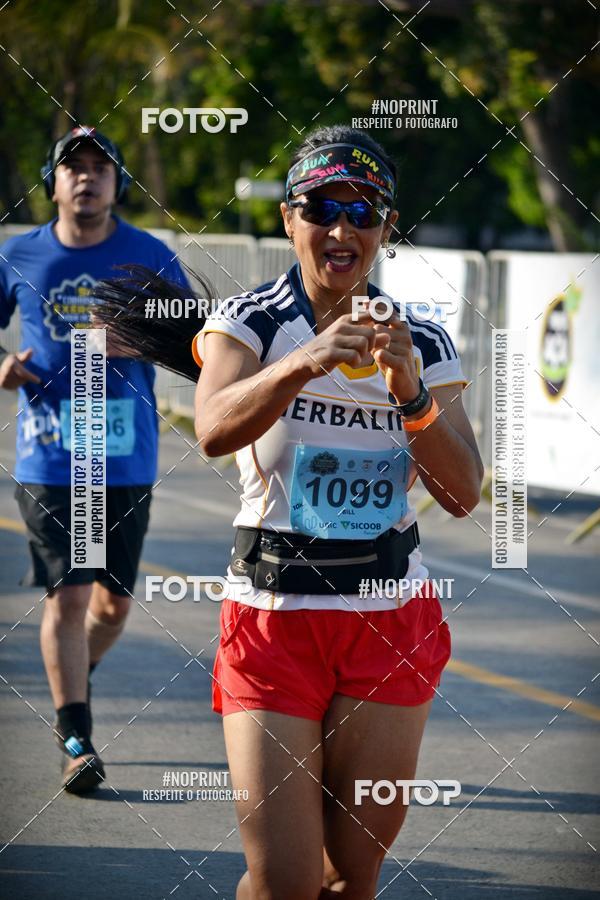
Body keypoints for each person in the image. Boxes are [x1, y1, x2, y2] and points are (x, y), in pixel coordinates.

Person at [94, 124, 483, 898]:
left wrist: (411, 395)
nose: (341, 230)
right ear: (289, 219)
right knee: (284, 884)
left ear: (386, 227)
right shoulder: (252, 321)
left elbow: (464, 492)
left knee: (351, 881)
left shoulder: (422, 339)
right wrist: (305, 361)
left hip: (388, 619)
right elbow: (213, 428)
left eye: (362, 212)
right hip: (274, 622)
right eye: (321, 209)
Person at [0, 126, 189, 794]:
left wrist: (133, 340)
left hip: (124, 456)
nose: (86, 177)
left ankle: (74, 676)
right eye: (72, 167)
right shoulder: (19, 254)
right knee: (71, 592)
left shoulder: (150, 256)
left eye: (99, 167)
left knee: (110, 609)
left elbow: (196, 345)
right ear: (52, 183)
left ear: (118, 183)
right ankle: (76, 737)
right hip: (54, 456)